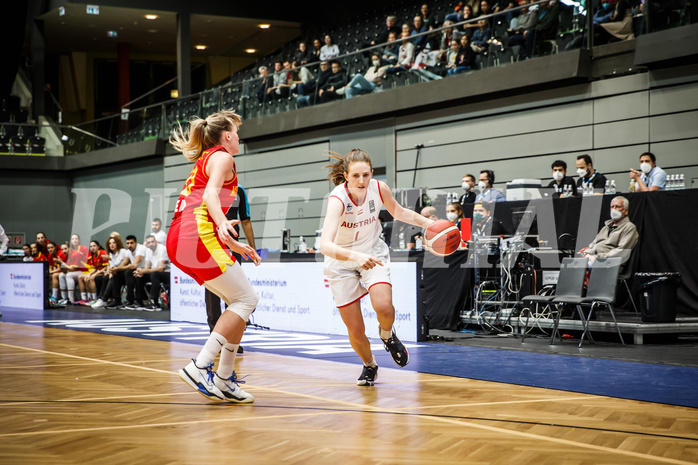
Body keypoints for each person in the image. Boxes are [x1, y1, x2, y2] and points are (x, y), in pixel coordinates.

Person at [168, 110, 260, 403]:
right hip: (194, 237)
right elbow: (208, 197)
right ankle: (201, 366)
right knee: (247, 300)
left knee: (238, 304)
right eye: (237, 131)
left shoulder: (207, 159)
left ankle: (224, 379)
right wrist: (222, 223)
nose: (240, 136)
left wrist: (234, 245)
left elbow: (203, 207)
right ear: (228, 135)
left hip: (183, 238)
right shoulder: (223, 157)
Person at [321, 149, 435, 386]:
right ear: (346, 176)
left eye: (365, 175)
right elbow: (325, 245)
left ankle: (387, 334)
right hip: (341, 260)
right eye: (355, 176)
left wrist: (429, 224)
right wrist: (354, 255)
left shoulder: (379, 188)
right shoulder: (337, 199)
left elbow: (400, 212)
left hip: (372, 251)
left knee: (384, 307)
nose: (361, 181)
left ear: (371, 173)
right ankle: (370, 364)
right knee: (356, 329)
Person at [205, 184, 256, 332]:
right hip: (211, 244)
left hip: (233, 246)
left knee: (235, 291)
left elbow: (245, 220)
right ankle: (215, 333)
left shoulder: (239, 189)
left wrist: (252, 248)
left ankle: (231, 336)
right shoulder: (207, 189)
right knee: (212, 290)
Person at [580, 196, 638, 263]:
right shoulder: (606, 227)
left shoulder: (629, 227)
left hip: (609, 262)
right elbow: (592, 245)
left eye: (618, 207)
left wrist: (597, 257)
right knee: (571, 264)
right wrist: (586, 254)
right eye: (612, 207)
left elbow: (621, 251)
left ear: (626, 211)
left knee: (579, 268)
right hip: (594, 259)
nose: (614, 209)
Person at [132, 235, 170, 311]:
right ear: (147, 244)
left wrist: (145, 271)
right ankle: (140, 301)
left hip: (167, 274)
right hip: (155, 273)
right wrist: (140, 271)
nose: (151, 244)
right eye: (149, 243)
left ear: (156, 241)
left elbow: (161, 269)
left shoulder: (163, 249)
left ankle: (154, 302)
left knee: (154, 274)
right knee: (139, 276)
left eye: (152, 242)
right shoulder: (148, 250)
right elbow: (147, 267)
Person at [92, 236, 129, 309]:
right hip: (116, 273)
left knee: (114, 276)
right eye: (110, 243)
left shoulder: (122, 251)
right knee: (103, 277)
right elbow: (112, 267)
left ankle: (104, 299)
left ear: (117, 243)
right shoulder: (111, 254)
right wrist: (110, 272)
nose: (112, 245)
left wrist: (110, 259)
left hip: (124, 274)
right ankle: (101, 298)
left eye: (114, 243)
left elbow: (121, 265)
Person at [57, 234, 89, 305]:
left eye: (65, 249)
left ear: (70, 248)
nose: (64, 251)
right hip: (77, 271)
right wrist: (60, 264)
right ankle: (64, 298)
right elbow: (65, 271)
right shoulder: (67, 256)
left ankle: (71, 299)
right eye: (62, 249)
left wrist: (62, 262)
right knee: (61, 275)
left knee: (69, 275)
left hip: (85, 271)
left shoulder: (75, 254)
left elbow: (72, 269)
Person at [80, 240, 108, 306]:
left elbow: (106, 267)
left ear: (98, 247)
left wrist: (94, 274)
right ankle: (89, 298)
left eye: (94, 246)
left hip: (105, 271)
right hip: (99, 271)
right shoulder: (92, 255)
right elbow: (95, 268)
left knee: (92, 278)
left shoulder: (103, 253)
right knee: (86, 278)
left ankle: (95, 299)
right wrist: (89, 274)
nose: (92, 248)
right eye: (91, 246)